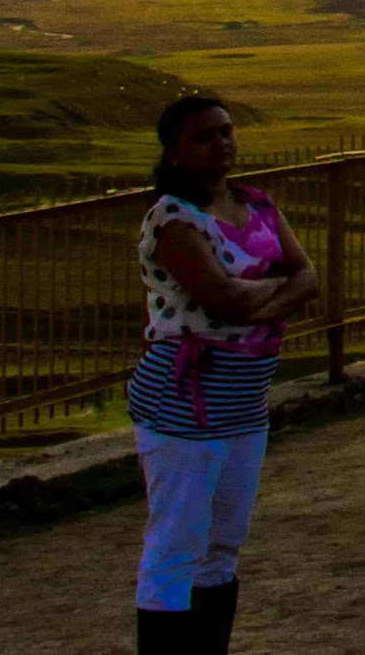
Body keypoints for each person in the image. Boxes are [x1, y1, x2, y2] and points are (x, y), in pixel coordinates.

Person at [130, 93, 319, 653]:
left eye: (226, 130)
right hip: (185, 401)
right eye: (204, 136)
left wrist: (253, 297)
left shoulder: (257, 203)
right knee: (175, 547)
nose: (221, 143)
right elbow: (220, 298)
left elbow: (308, 277)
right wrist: (273, 291)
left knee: (223, 548)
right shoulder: (171, 219)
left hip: (243, 401)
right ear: (174, 152)